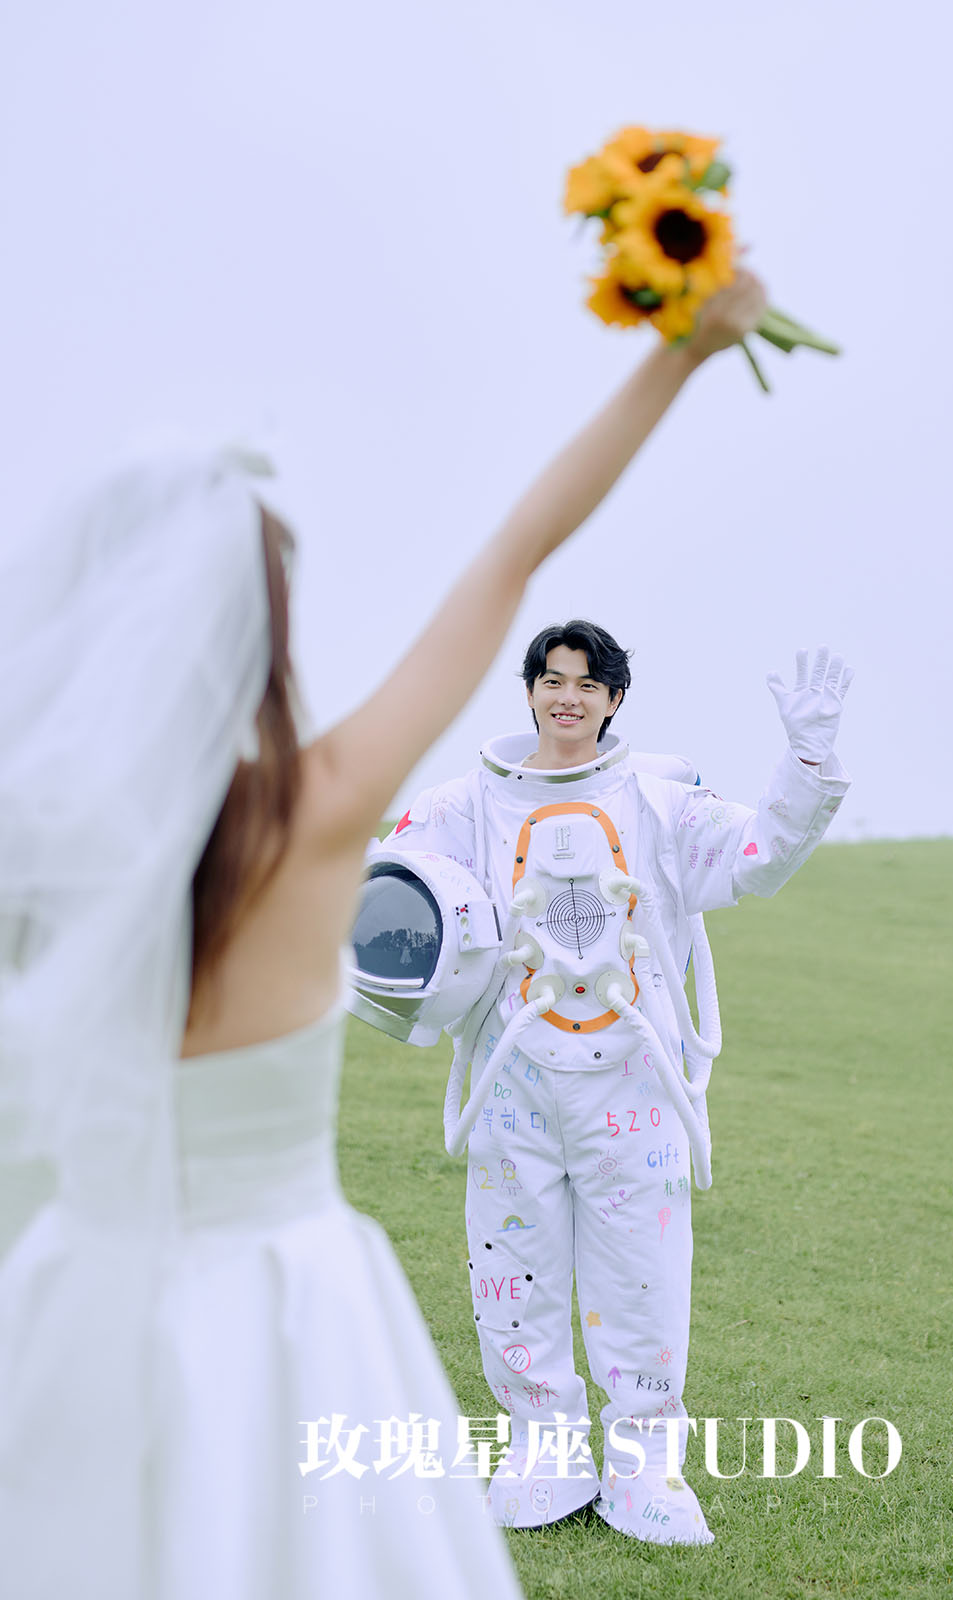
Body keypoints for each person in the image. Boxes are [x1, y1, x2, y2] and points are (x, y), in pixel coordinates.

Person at [0, 270, 770, 1600]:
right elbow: (517, 551)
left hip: (73, 1295)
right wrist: (683, 354)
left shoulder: (34, 860)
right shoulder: (322, 810)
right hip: (288, 1310)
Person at [376, 614, 853, 1545]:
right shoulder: (460, 808)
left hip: (635, 1084)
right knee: (510, 1273)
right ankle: (542, 1452)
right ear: (529, 691)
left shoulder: (659, 805)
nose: (569, 698)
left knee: (642, 1277)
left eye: (588, 684)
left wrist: (808, 758)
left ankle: (644, 1467)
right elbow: (387, 895)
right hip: (511, 1080)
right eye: (553, 680)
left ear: (614, 699)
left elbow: (761, 857)